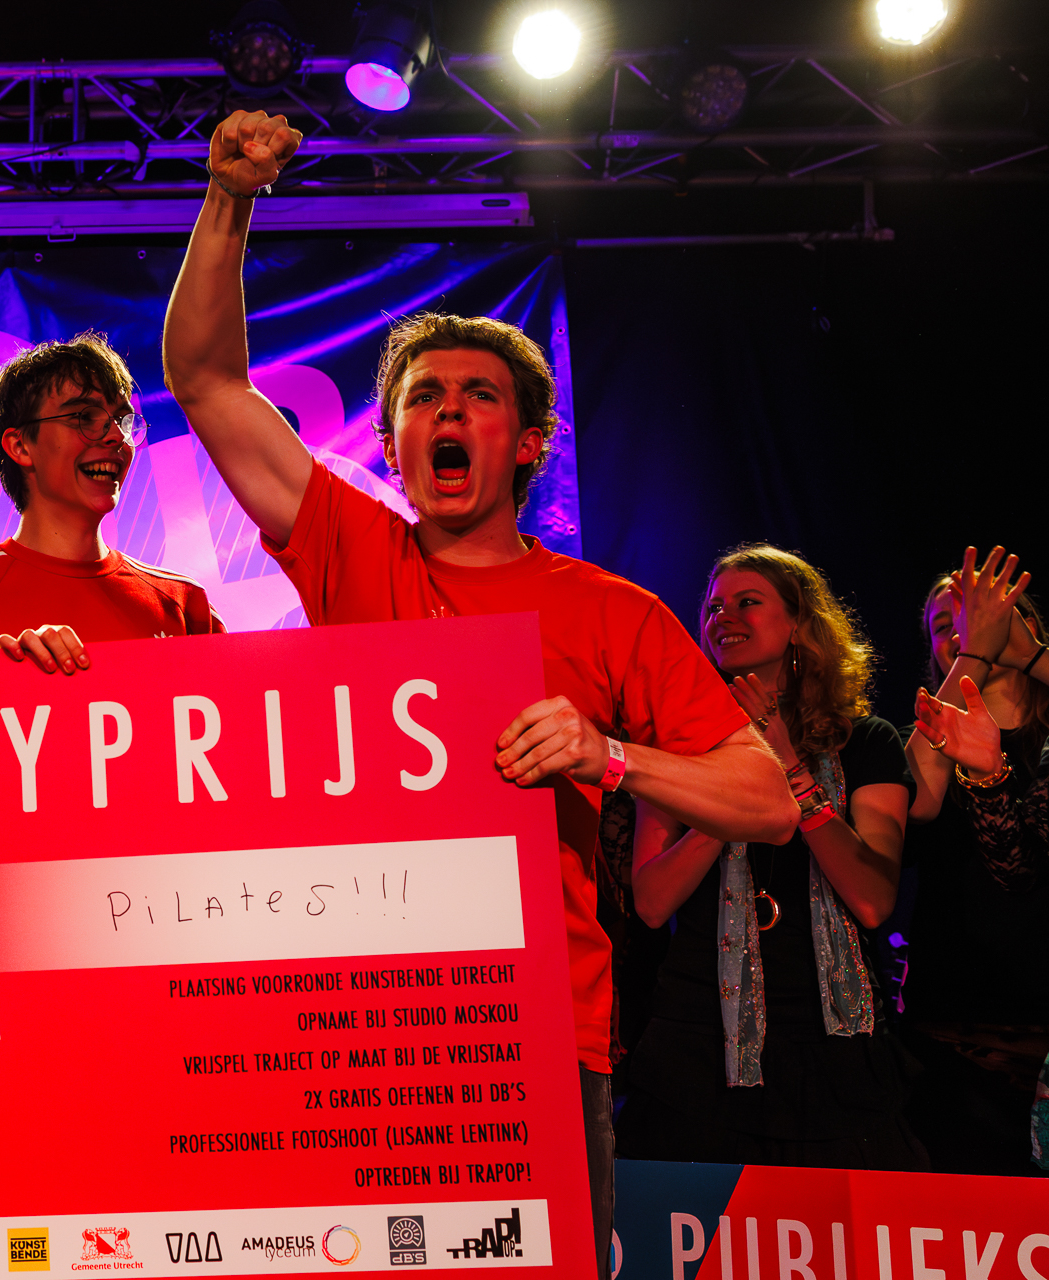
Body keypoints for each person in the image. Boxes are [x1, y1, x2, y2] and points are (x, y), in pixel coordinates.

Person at [160, 109, 797, 1277]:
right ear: (393, 441)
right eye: (424, 397)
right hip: (357, 1032)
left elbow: (765, 799)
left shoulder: (612, 610)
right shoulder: (350, 546)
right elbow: (203, 376)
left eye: (478, 395)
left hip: (537, 1034)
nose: (448, 411)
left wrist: (608, 755)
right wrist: (229, 199)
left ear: (530, 443)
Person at [616, 545, 923, 1170]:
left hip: (830, 1046)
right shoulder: (676, 748)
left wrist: (787, 769)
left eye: (747, 602)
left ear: (799, 625)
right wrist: (737, 793)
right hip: (698, 1045)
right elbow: (650, 902)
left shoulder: (866, 741)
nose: (722, 616)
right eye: (713, 607)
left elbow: (872, 900)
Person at [0, 333, 223, 676]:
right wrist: (12, 677)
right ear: (20, 446)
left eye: (122, 421)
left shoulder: (184, 602)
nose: (116, 436)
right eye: (84, 417)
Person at [903, 546, 1049, 1175]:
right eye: (946, 625)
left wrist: (1030, 656)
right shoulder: (924, 739)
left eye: (980, 616)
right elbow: (911, 806)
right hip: (953, 1027)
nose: (963, 631)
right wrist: (975, 656)